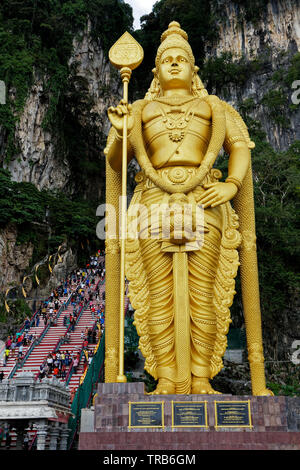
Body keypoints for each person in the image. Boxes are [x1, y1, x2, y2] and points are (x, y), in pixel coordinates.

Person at [104, 21, 272, 396]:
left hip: (204, 200)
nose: (175, 64)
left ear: (194, 68)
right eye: (168, 60)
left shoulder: (213, 107)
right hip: (152, 201)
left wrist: (231, 183)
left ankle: (199, 378)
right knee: (159, 293)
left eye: (183, 58)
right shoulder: (139, 109)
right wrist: (119, 131)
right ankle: (166, 378)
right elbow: (116, 164)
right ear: (157, 70)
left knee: (203, 292)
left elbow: (240, 146)